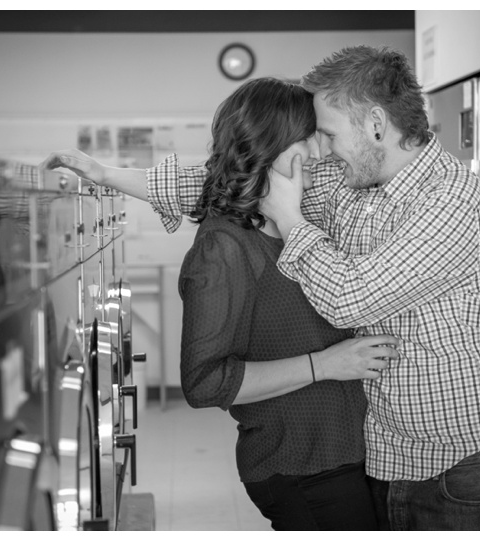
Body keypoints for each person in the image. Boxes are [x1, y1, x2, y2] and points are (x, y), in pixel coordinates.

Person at [44, 45, 480, 531]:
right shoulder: (351, 182)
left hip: (469, 461)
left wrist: (289, 218)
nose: (321, 149)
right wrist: (106, 175)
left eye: (328, 133)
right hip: (393, 454)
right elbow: (244, 178)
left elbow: (353, 295)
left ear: (374, 123)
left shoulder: (451, 197)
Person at [42, 77, 398, 531]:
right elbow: (204, 383)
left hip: (349, 454)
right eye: (313, 137)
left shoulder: (299, 217)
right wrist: (325, 364)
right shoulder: (224, 248)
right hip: (300, 467)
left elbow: (209, 183)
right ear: (273, 144)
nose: (321, 151)